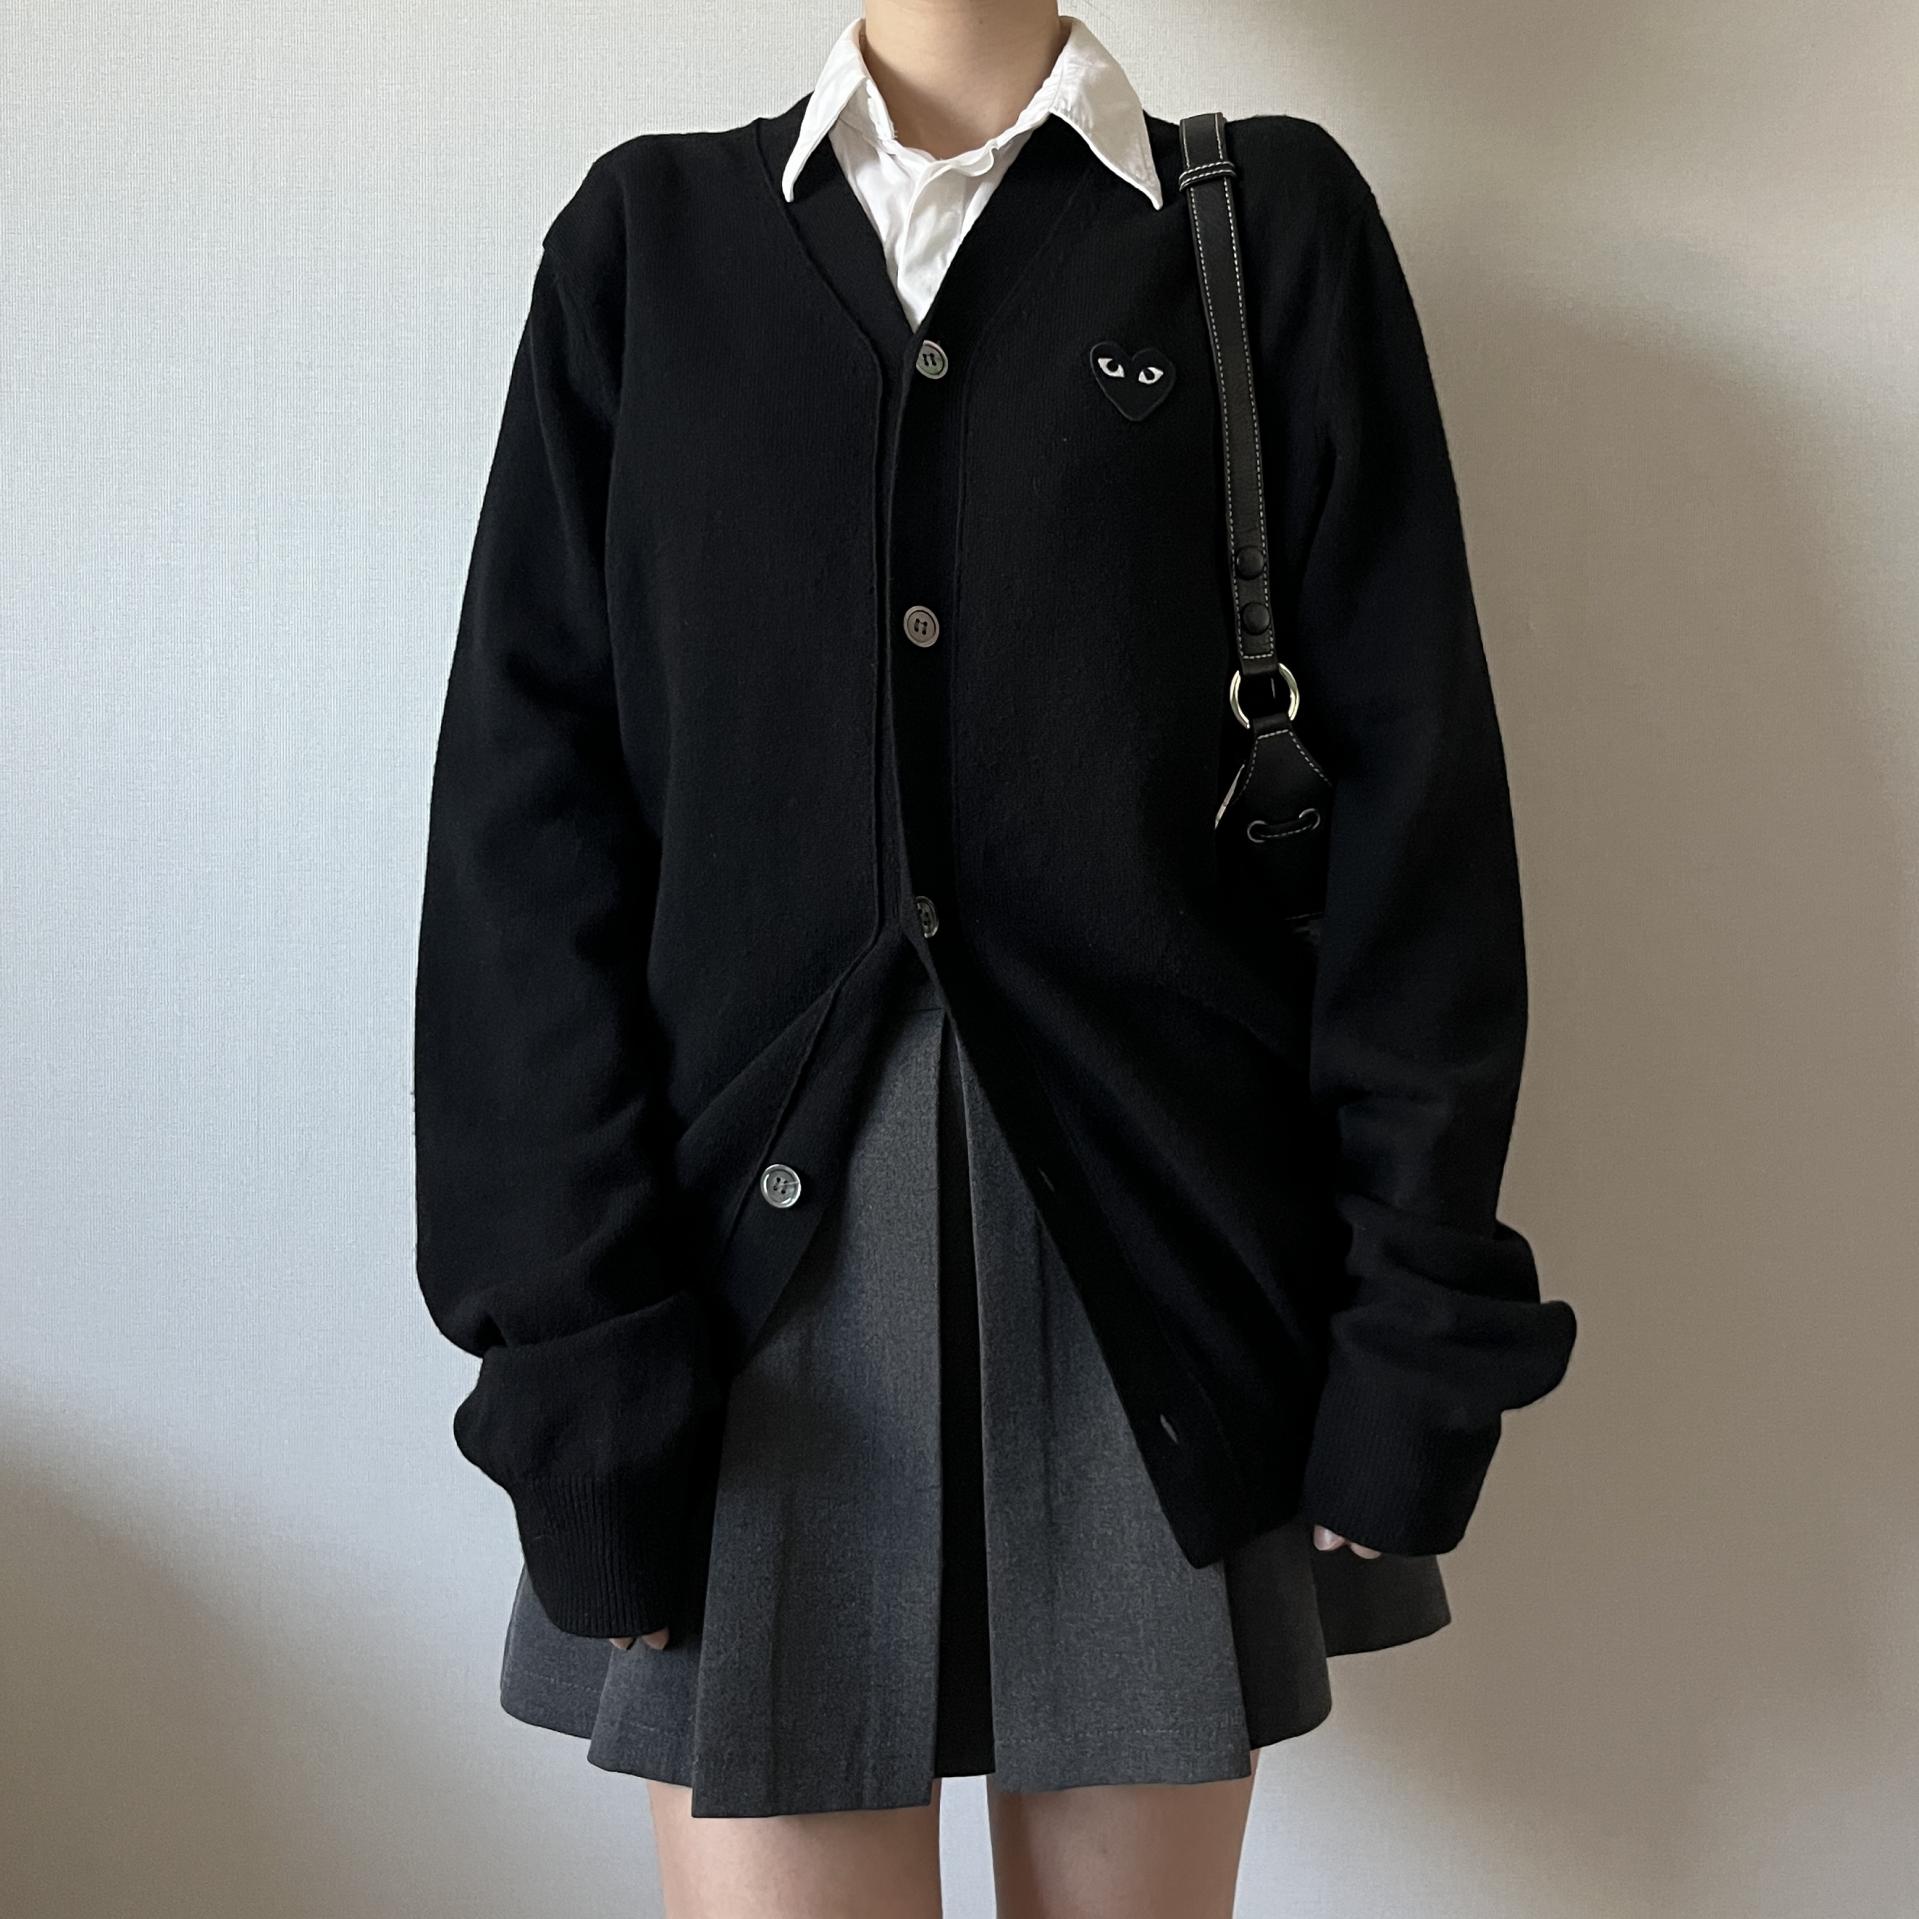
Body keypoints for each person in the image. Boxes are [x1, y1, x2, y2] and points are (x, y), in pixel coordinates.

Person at [411, 4, 1580, 1912]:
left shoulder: (1261, 228)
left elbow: (1417, 833)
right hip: (732, 1314)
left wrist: (1418, 1332)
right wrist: (579, 1382)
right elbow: (524, 853)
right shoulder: (648, 248)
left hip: (1162, 1285)